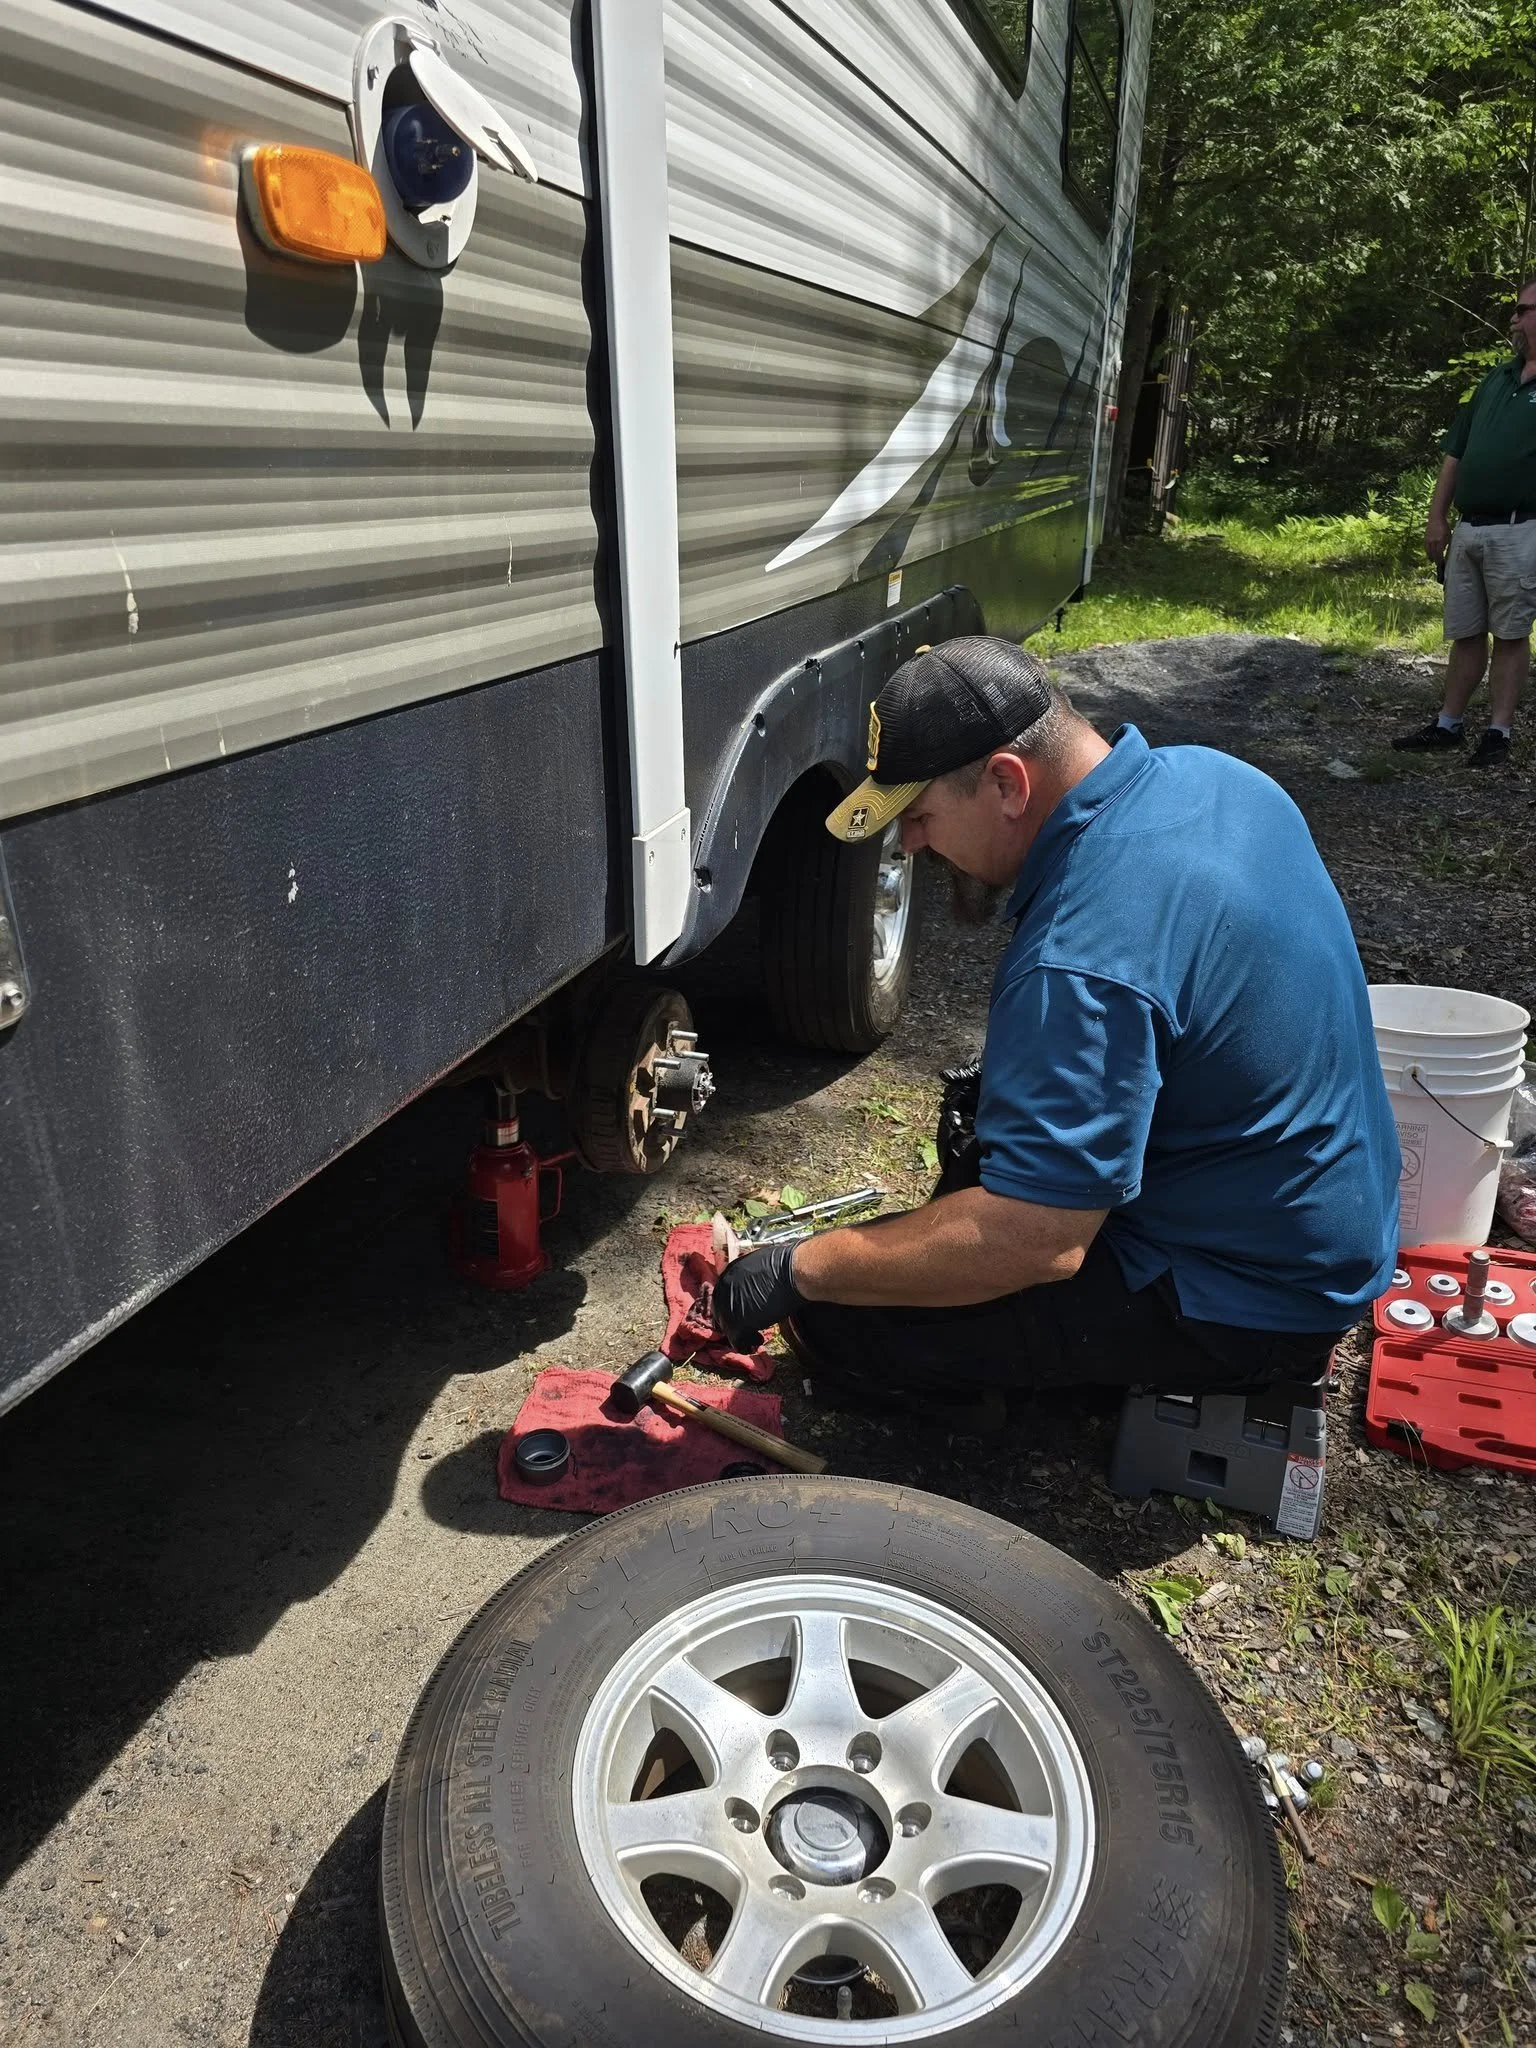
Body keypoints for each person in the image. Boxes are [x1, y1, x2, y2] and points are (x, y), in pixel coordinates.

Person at [713, 637, 1401, 1400]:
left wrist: (801, 1268)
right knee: (984, 1151)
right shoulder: (1219, 778)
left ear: (1008, 783)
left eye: (922, 814)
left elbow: (1038, 1244)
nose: (909, 842)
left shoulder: (1081, 955)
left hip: (1256, 1300)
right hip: (1322, 1220)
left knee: (846, 1322)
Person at [1392, 281, 1536, 767]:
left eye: (1522, 311)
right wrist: (1437, 516)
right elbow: (1456, 452)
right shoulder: (1497, 378)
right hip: (1469, 528)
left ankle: (1498, 732)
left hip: (1523, 529)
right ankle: (1448, 723)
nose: (1513, 322)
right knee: (1467, 631)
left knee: (1511, 634)